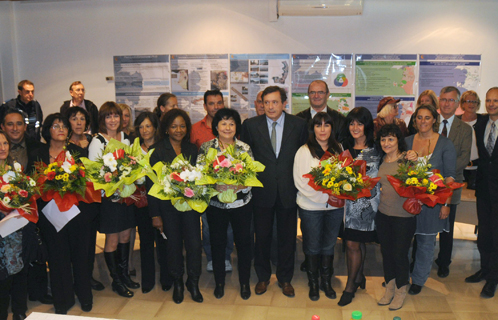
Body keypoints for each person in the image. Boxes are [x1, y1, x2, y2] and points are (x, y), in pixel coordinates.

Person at [241, 86, 308, 297]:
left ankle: (285, 278)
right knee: (261, 237)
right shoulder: (251, 125)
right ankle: (262, 277)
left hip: (288, 190)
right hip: (262, 191)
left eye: (274, 102)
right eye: (266, 102)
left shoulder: (299, 125)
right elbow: (245, 158)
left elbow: (303, 156)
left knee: (287, 238)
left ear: (284, 103)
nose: (270, 106)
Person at [29, 114, 95, 314]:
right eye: (56, 125)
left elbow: (86, 183)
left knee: (81, 258)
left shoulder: (76, 151)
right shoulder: (37, 153)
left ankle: (85, 296)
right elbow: (32, 184)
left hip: (76, 215)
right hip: (50, 217)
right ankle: (63, 300)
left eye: (64, 126)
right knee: (58, 260)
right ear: (47, 129)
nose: (62, 129)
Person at [197, 108, 253, 300]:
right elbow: (200, 175)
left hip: (241, 205)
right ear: (216, 126)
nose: (227, 127)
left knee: (244, 244)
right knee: (217, 244)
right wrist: (214, 186)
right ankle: (219, 282)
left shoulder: (244, 148)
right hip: (216, 206)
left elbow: (251, 175)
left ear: (236, 126)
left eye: (231, 123)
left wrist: (239, 185)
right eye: (223, 123)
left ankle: (244, 283)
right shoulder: (206, 148)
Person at [148, 109, 202, 303]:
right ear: (166, 129)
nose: (178, 130)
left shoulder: (192, 149)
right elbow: (151, 185)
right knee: (173, 246)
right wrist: (155, 215)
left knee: (195, 245)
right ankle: (178, 282)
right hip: (167, 209)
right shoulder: (157, 150)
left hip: (189, 207)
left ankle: (193, 282)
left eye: (182, 125)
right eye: (174, 126)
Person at [1, 108, 52, 308]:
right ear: (3, 127)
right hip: (5, 221)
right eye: (10, 124)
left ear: (25, 126)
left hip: (31, 214)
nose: (15, 128)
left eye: (19, 123)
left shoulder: (38, 148)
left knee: (30, 256)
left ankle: (31, 297)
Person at [88, 101, 138, 298]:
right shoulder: (97, 141)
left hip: (126, 195)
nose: (113, 120)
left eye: (116, 115)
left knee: (126, 236)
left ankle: (124, 275)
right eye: (108, 116)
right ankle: (116, 281)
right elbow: (94, 174)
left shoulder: (126, 138)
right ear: (102, 119)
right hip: (109, 199)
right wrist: (112, 187)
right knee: (113, 239)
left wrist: (128, 179)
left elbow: (133, 164)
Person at [406, 104, 456, 295]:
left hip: (433, 203)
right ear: (414, 120)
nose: (423, 122)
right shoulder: (407, 141)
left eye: (427, 118)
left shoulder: (445, 144)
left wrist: (446, 204)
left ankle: (418, 280)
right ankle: (401, 277)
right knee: (404, 241)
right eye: (419, 118)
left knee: (426, 243)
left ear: (434, 120)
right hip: (408, 202)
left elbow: (450, 177)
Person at [293, 112, 343, 301]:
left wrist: (335, 195)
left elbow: (345, 177)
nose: (322, 130)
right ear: (312, 128)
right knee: (312, 247)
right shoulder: (304, 151)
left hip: (334, 208)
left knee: (329, 246)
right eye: (318, 125)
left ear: (332, 128)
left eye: (326, 125)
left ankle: (326, 282)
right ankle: (313, 284)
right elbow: (300, 182)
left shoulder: (339, 150)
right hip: (310, 207)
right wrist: (324, 196)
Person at [338, 107, 381, 306]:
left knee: (353, 244)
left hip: (366, 208)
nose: (355, 127)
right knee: (356, 243)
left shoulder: (377, 148)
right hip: (345, 207)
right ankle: (359, 275)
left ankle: (350, 286)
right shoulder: (342, 147)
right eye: (352, 123)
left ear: (367, 125)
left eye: (360, 123)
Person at [190, 89, 233, 273]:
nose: (216, 107)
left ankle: (226, 256)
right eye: (211, 103)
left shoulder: (229, 125)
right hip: (207, 189)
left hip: (229, 188)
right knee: (207, 227)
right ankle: (211, 256)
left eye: (219, 103)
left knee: (228, 227)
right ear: (205, 105)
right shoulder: (195, 129)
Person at [433, 86, 471, 278]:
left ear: (457, 104)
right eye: (443, 99)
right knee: (427, 224)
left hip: (452, 184)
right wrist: (431, 175)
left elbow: (464, 158)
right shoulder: (429, 124)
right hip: (428, 184)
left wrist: (444, 174)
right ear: (439, 101)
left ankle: (444, 262)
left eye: (451, 100)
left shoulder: (464, 129)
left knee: (447, 226)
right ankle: (421, 258)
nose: (446, 103)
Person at [375, 123, 414, 311]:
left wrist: (415, 157)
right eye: (383, 139)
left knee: (400, 255)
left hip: (403, 217)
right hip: (383, 215)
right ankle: (389, 288)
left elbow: (420, 183)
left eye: (391, 138)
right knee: (387, 254)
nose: (386, 143)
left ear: (399, 140)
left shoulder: (407, 159)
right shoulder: (382, 160)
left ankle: (400, 290)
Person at [0, 130, 38, 320]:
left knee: (19, 271)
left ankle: (19, 311)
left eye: (5, 143)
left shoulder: (15, 170)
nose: (2, 148)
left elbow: (27, 198)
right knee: (3, 277)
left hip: (16, 231)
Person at [65, 107, 103, 292]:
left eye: (82, 119)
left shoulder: (92, 142)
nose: (79, 122)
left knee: (90, 243)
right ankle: (76, 279)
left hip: (93, 200)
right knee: (76, 244)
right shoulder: (64, 145)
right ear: (68, 122)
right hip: (75, 202)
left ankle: (87, 277)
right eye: (74, 118)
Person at [466, 87, 498, 298]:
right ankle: (485, 269)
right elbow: (485, 157)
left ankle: (493, 278)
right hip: (484, 189)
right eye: (488, 100)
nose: (491, 104)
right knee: (484, 232)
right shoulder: (481, 124)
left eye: (496, 100)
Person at [132, 112, 161, 294]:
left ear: (155, 128)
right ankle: (148, 279)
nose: (145, 130)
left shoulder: (162, 148)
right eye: (141, 127)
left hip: (161, 201)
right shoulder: (134, 149)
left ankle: (167, 277)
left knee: (164, 240)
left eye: (148, 126)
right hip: (142, 202)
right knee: (146, 241)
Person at [458, 90, 483, 190]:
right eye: (468, 101)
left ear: (478, 104)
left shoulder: (484, 121)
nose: (471, 104)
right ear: (463, 104)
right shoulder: (455, 121)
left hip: (477, 169)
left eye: (474, 102)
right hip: (459, 168)